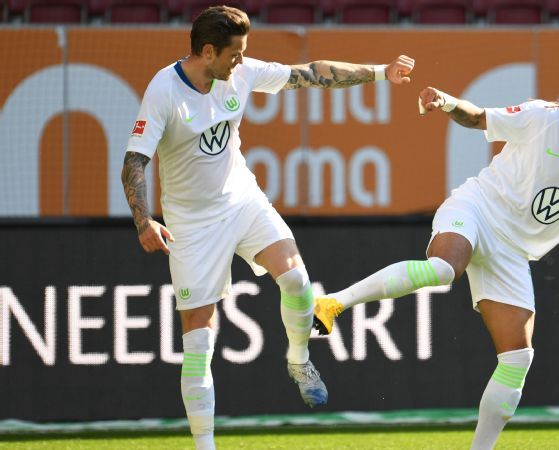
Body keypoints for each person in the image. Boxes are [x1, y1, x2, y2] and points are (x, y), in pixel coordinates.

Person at [313, 65, 559, 450]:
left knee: (517, 360)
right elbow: (478, 117)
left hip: (511, 252)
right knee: (444, 270)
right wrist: (445, 102)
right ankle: (333, 303)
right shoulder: (545, 118)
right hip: (477, 209)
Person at [120, 6, 414, 450]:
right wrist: (144, 220)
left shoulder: (240, 72)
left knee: (296, 279)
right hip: (192, 225)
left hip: (242, 200)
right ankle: (205, 445)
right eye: (234, 53)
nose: (241, 60)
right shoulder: (164, 90)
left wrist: (380, 72)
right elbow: (134, 161)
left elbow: (310, 73)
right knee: (198, 342)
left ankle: (299, 358)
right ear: (207, 51)